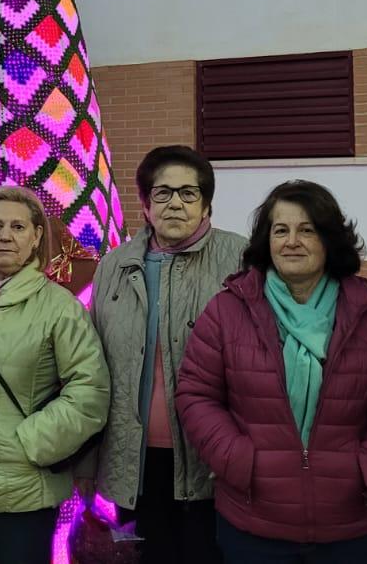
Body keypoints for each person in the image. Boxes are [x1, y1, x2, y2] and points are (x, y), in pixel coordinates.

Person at [177, 180, 367, 563]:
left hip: (350, 525)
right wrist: (238, 458)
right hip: (255, 524)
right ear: (267, 240)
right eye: (281, 230)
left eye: (307, 230)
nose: (291, 241)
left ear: (330, 239)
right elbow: (196, 395)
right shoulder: (228, 311)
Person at [80, 145, 244, 563]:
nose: (175, 203)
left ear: (206, 203)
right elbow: (93, 363)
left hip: (211, 455)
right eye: (163, 193)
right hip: (133, 459)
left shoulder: (241, 259)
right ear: (146, 204)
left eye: (189, 193)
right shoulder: (114, 266)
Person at [0, 185, 110, 564]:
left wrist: (33, 442)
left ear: (37, 236)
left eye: (18, 227)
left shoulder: (59, 307)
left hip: (24, 490)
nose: (5, 236)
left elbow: (90, 389)